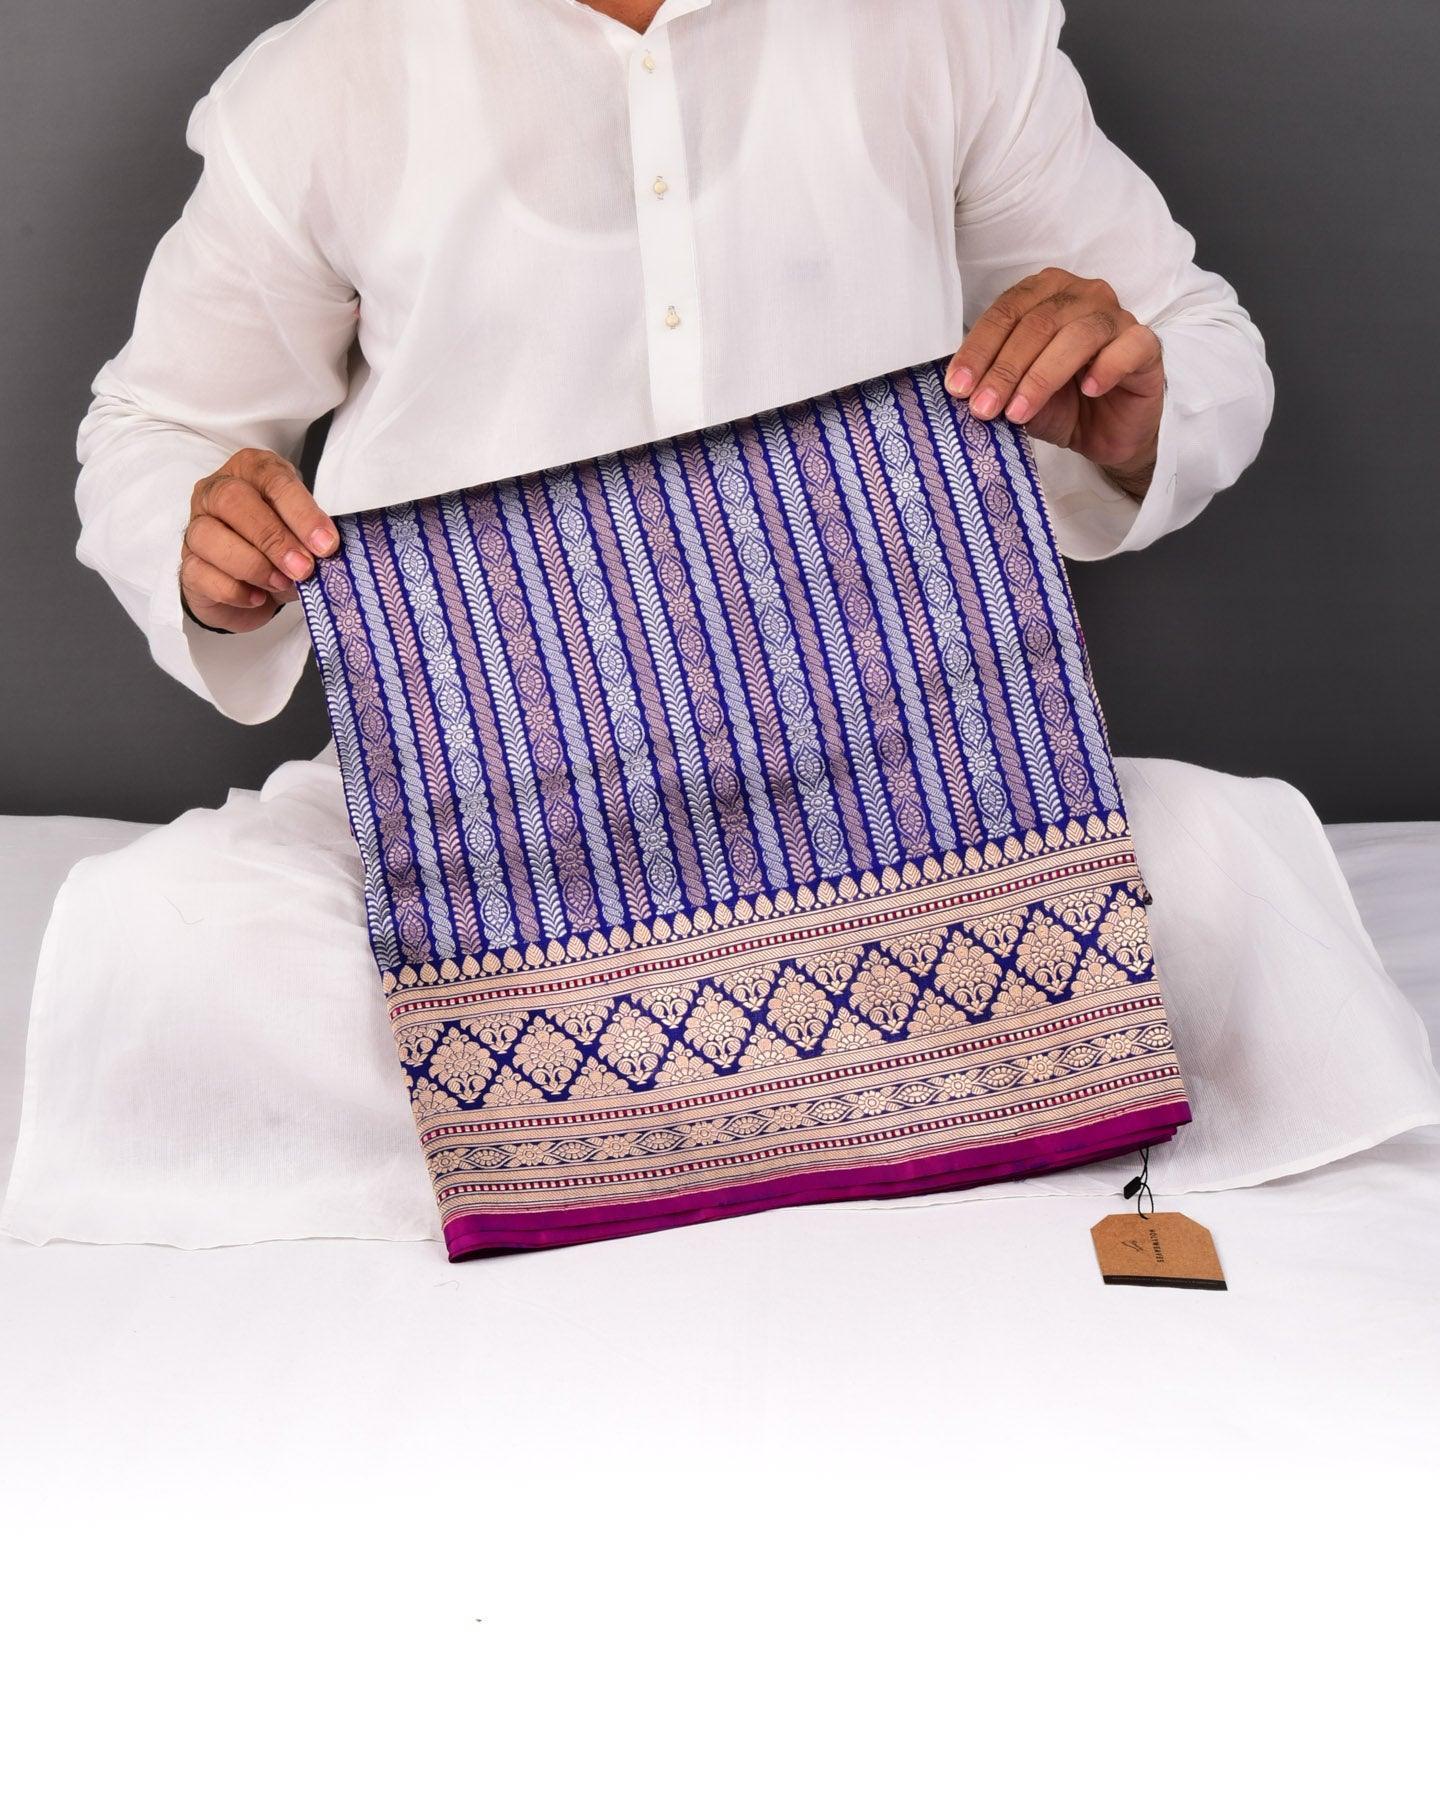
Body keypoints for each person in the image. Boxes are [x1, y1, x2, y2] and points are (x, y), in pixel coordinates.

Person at [4, 0, 1276, 1248]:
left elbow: (1191, 333)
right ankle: (856, 1092)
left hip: (899, 770)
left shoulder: (945, 23)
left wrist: (1132, 414)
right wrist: (201, 539)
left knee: (1237, 873)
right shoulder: (324, 76)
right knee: (159, 935)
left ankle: (632, 1123)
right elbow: (157, 426)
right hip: (496, 796)